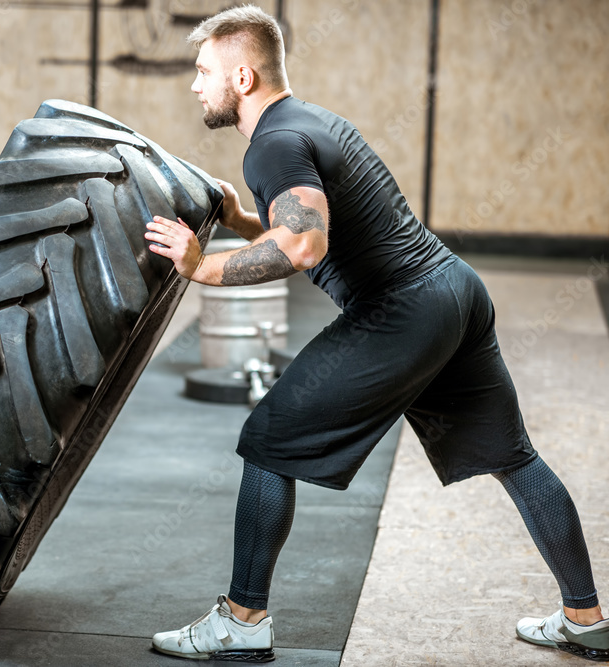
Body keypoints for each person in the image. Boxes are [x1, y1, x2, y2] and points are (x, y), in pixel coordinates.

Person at [143, 5, 607, 663]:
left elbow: (303, 245)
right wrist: (243, 218)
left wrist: (201, 268)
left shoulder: (273, 143)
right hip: (454, 291)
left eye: (203, 71)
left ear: (241, 77)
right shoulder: (307, 123)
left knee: (270, 439)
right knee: (513, 455)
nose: (195, 84)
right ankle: (586, 618)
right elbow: (313, 231)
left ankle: (243, 620)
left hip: (402, 311)